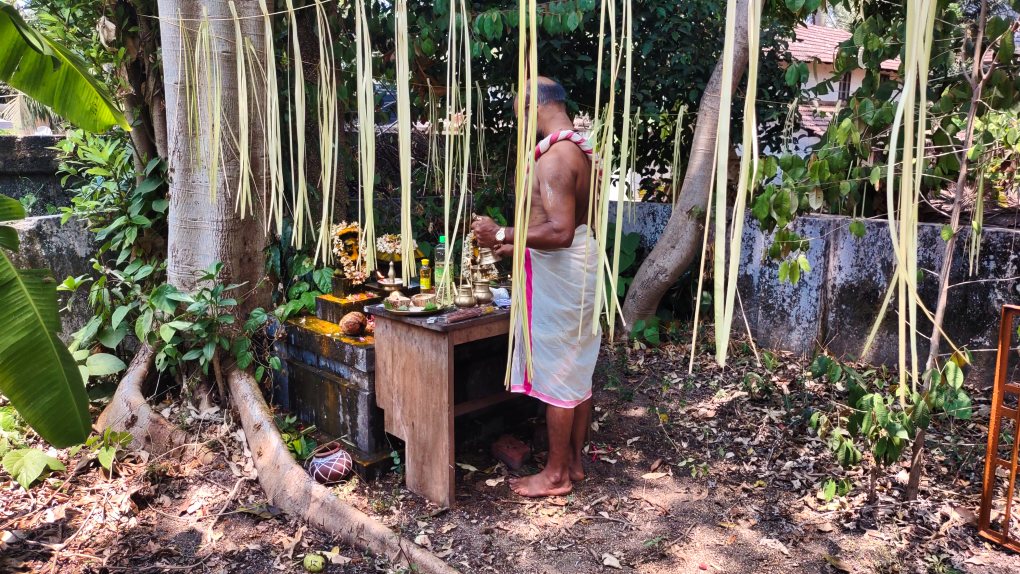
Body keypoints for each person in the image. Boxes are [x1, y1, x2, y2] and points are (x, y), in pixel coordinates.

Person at [472, 76, 600, 498]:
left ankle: (556, 475)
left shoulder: (554, 160)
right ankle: (575, 463)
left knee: (560, 375)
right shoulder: (579, 149)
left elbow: (560, 232)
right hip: (578, 269)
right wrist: (516, 246)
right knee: (578, 369)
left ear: (533, 109)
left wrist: (503, 233)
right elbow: (564, 227)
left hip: (564, 274)